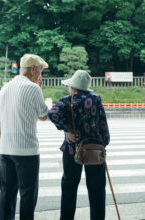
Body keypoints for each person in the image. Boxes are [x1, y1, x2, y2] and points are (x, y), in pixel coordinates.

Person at [47, 70, 110, 220]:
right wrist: (104, 143)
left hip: (72, 148)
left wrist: (67, 130)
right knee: (97, 189)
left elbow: (52, 114)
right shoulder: (95, 99)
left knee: (69, 186)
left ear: (73, 87)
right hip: (94, 149)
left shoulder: (67, 100)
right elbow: (103, 124)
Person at [0, 54, 49, 220]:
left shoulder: (4, 88)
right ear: (32, 70)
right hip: (27, 151)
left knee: (7, 193)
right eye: (40, 72)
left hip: (6, 150)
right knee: (28, 194)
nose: (40, 75)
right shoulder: (33, 88)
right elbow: (44, 115)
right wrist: (40, 89)